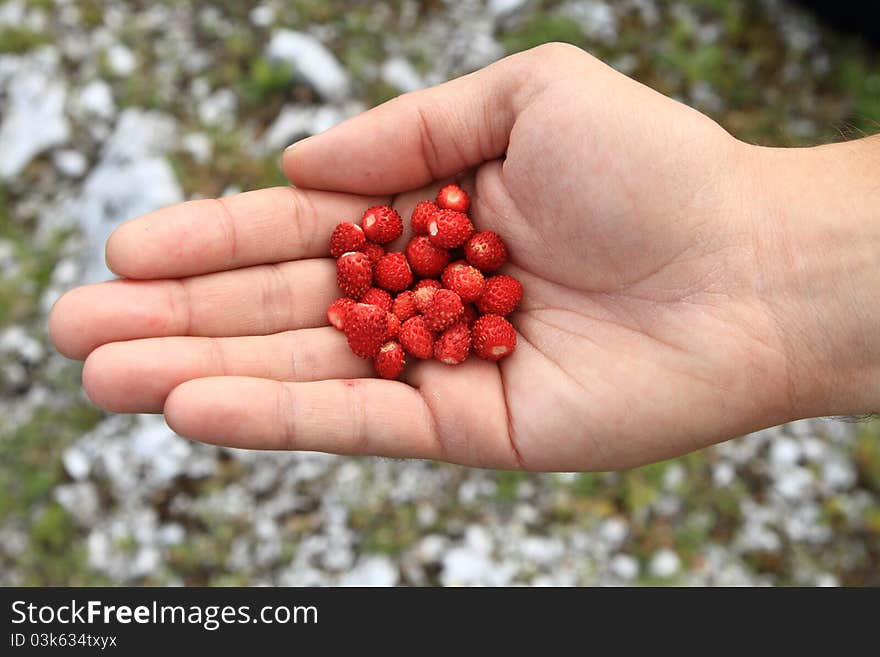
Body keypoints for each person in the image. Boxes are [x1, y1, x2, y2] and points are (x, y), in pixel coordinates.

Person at [48, 43, 880, 471]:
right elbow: (400, 289)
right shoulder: (413, 278)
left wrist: (758, 248)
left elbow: (421, 293)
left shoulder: (449, 282)